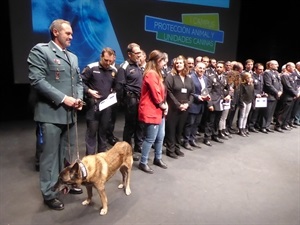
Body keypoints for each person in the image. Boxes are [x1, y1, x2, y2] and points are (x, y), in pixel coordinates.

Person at [27, 19, 84, 211]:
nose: (71, 36)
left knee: (67, 154)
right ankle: (49, 193)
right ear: (55, 33)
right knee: (50, 157)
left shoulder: (73, 57)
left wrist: (78, 99)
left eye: (71, 33)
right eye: (67, 33)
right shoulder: (41, 51)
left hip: (69, 115)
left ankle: (64, 184)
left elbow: (78, 82)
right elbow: (37, 80)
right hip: (50, 114)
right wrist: (63, 99)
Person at [81, 47, 117, 155]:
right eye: (106, 60)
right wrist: (89, 91)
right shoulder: (91, 68)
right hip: (93, 106)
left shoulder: (113, 71)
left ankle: (101, 157)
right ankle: (90, 159)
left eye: (110, 61)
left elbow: (115, 87)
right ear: (101, 57)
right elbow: (80, 82)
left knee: (103, 132)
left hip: (106, 106)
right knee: (92, 132)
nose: (108, 63)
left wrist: (113, 93)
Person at [138, 50, 168, 174]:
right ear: (157, 61)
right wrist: (163, 105)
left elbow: (161, 92)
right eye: (162, 61)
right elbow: (156, 94)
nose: (164, 64)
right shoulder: (151, 73)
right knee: (150, 138)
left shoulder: (157, 73)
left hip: (158, 110)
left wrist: (164, 105)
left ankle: (158, 158)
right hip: (152, 110)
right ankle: (143, 162)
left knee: (160, 136)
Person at [115, 43, 144, 161]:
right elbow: (119, 87)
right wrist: (123, 102)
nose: (139, 55)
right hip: (130, 100)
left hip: (140, 99)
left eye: (140, 53)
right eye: (136, 53)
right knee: (130, 126)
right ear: (129, 54)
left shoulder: (138, 66)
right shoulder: (124, 67)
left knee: (139, 125)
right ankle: (127, 150)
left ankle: (138, 147)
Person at [164, 55, 194, 159]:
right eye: (177, 63)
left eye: (180, 63)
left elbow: (192, 93)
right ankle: (170, 149)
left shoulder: (189, 78)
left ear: (185, 64)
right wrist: (178, 104)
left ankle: (177, 148)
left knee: (179, 129)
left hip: (185, 108)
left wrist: (187, 104)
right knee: (171, 129)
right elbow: (168, 92)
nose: (178, 64)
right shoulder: (170, 76)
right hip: (173, 108)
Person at [182, 61, 209, 150]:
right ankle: (186, 141)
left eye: (203, 68)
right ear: (195, 68)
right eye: (200, 68)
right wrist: (198, 97)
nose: (202, 70)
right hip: (193, 104)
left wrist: (207, 95)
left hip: (201, 105)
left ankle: (192, 140)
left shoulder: (205, 78)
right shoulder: (191, 78)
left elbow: (205, 90)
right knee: (190, 124)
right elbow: (190, 92)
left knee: (196, 124)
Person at [203, 61, 230, 146]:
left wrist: (229, 95)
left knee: (217, 121)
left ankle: (215, 135)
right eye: (217, 67)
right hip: (213, 102)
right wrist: (210, 104)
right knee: (210, 121)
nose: (218, 68)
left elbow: (229, 89)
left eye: (220, 67)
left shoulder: (225, 78)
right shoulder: (211, 77)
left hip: (221, 102)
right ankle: (206, 138)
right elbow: (206, 91)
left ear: (224, 68)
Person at [261, 60, 282, 133]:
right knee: (267, 112)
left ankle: (267, 126)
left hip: (276, 96)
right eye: (276, 64)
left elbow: (280, 83)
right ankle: (263, 126)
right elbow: (268, 84)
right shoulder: (267, 73)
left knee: (271, 113)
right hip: (270, 95)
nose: (277, 65)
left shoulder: (276, 73)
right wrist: (276, 92)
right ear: (270, 65)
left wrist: (280, 91)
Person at [236, 72, 255, 136]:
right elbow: (240, 94)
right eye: (248, 77)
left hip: (249, 101)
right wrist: (241, 102)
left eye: (250, 77)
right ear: (245, 78)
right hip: (244, 101)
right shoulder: (242, 85)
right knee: (242, 115)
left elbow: (252, 94)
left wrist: (253, 102)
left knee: (246, 115)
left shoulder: (251, 85)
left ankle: (244, 128)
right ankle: (240, 128)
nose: (250, 79)